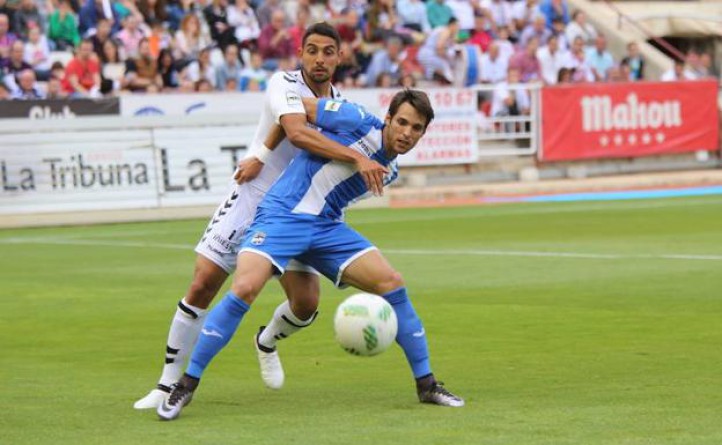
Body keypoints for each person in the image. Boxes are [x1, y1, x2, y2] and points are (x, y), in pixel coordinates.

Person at [158, 89, 465, 421]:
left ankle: (427, 384)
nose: (406, 133)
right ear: (388, 118)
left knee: (391, 284)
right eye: (402, 122)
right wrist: (264, 154)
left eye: (416, 128)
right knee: (245, 288)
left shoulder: (389, 171)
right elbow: (289, 109)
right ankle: (186, 385)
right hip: (281, 215)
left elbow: (330, 194)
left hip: (325, 228)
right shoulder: (355, 119)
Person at [133, 22, 388, 410]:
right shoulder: (282, 83)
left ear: (339, 58)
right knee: (204, 282)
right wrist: (264, 158)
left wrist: (268, 152)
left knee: (305, 304)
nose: (319, 59)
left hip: (300, 209)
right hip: (254, 194)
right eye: (312, 50)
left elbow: (305, 137)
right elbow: (296, 131)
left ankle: (266, 340)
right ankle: (167, 384)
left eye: (328, 52)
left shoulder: (341, 103)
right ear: (301, 53)